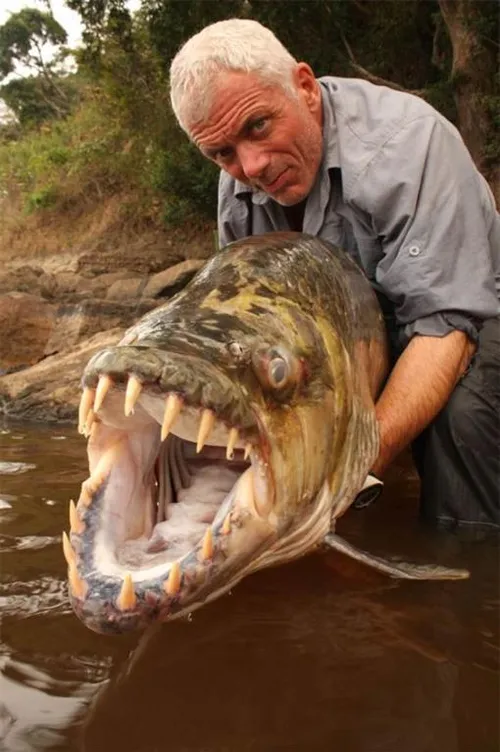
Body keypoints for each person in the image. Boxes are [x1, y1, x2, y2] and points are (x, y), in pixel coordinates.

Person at [169, 18, 500, 531]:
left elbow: (446, 329)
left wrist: (347, 474)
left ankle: (469, 577)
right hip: (361, 334)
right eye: (222, 152)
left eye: (258, 126)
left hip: (468, 311)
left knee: (462, 420)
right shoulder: (234, 188)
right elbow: (250, 328)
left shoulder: (411, 144)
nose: (251, 166)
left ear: (303, 87)